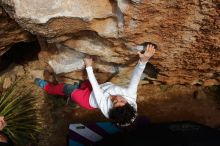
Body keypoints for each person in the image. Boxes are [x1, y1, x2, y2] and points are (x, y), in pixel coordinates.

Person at [35, 43, 156, 126]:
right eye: (122, 101)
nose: (117, 98)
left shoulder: (105, 106)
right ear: (128, 103)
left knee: (65, 88)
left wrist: (88, 66)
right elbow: (136, 78)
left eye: (114, 103)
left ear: (112, 108)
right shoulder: (130, 97)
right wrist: (143, 60)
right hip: (98, 90)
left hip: (87, 99)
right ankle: (79, 87)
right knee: (84, 84)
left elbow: (96, 89)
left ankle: (46, 87)